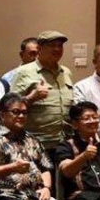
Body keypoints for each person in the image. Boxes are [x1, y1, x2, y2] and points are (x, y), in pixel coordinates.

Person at [11, 30, 74, 172]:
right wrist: (31, 98)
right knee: (42, 189)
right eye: (52, 45)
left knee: (62, 191)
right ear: (39, 49)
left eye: (60, 45)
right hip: (36, 145)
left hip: (64, 144)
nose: (57, 49)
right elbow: (10, 108)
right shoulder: (24, 72)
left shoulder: (66, 72)